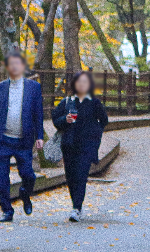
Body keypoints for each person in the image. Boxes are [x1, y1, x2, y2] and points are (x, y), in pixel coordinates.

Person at [0, 50, 45, 222]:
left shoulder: (34, 88)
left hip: (23, 140)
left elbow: (38, 114)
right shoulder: (0, 88)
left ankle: (25, 193)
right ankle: (7, 210)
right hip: (3, 139)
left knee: (29, 175)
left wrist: (39, 136)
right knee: (2, 177)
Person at [51, 71, 109, 222]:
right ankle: (75, 204)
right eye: (79, 82)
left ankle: (77, 208)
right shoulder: (67, 101)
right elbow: (55, 119)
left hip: (86, 146)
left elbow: (104, 120)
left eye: (85, 82)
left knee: (81, 175)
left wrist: (95, 134)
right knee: (71, 176)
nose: (81, 85)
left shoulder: (94, 102)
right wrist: (65, 119)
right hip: (69, 145)